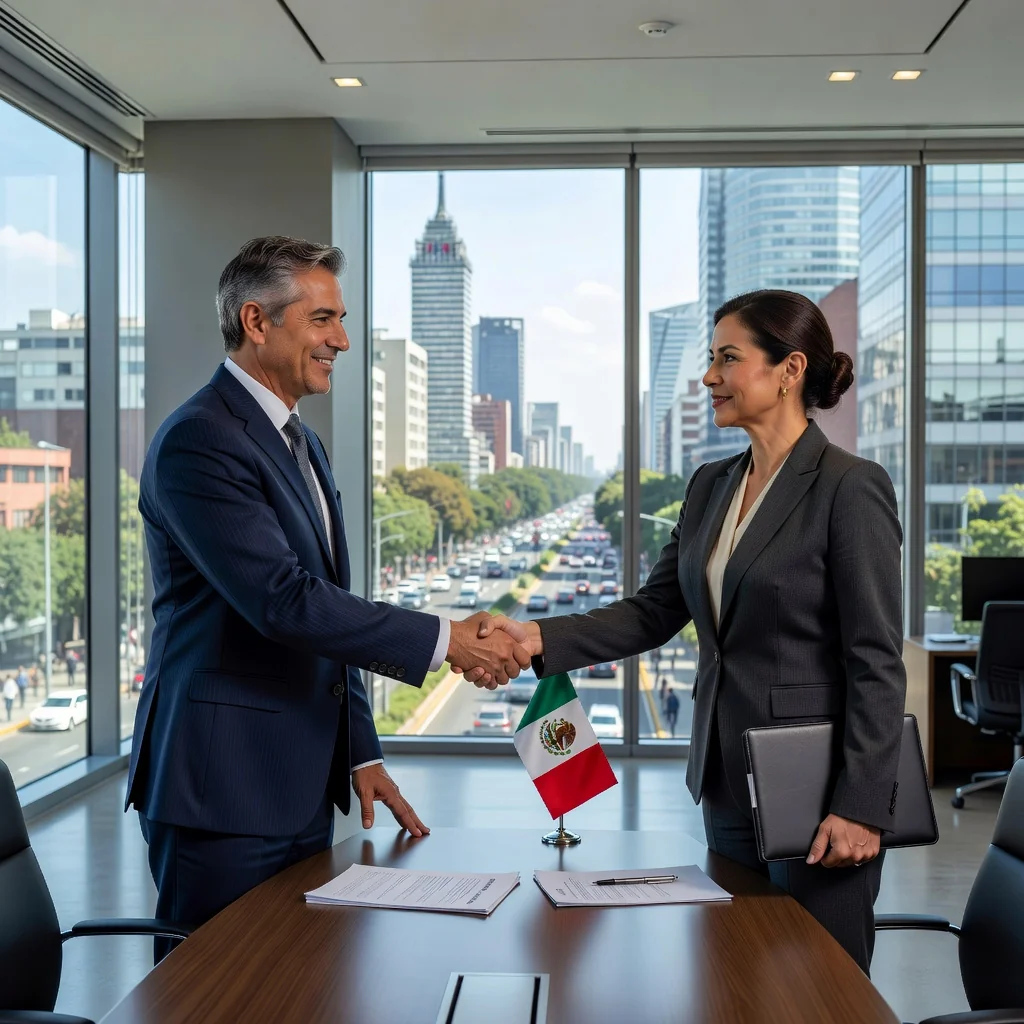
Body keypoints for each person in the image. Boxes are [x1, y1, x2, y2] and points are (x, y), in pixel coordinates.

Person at [474, 289, 905, 975]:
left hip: (815, 790)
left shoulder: (850, 487)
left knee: (819, 985)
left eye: (728, 360)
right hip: (727, 778)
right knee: (733, 975)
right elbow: (655, 609)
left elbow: (876, 661)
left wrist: (861, 807)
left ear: (789, 370)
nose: (709, 377)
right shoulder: (711, 485)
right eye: (710, 359)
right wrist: (534, 638)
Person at [126, 236, 527, 961]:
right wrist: (447, 639)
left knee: (291, 988)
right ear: (257, 322)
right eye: (322, 320)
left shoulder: (301, 443)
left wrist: (360, 753)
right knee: (215, 996)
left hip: (299, 780)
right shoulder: (200, 440)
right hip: (223, 789)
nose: (342, 339)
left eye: (341, 320)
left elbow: (328, 608)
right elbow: (283, 601)